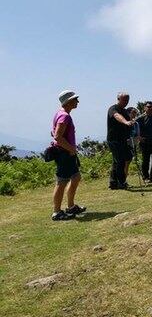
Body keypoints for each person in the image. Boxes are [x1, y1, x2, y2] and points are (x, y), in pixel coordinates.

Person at [50, 90, 85, 220]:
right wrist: (71, 149)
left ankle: (70, 206)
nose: (77, 101)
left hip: (66, 152)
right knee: (61, 182)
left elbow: (55, 134)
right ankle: (57, 212)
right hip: (64, 153)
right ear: (68, 101)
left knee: (76, 177)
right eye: (75, 99)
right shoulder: (65, 116)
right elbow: (58, 137)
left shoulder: (60, 114)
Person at [106, 92, 135, 190]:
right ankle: (121, 182)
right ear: (118, 99)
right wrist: (126, 122)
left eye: (127, 100)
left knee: (118, 161)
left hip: (123, 140)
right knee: (120, 161)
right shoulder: (113, 109)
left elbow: (127, 124)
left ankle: (113, 183)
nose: (126, 102)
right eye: (124, 100)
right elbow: (117, 116)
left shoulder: (125, 111)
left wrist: (131, 122)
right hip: (114, 140)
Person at [124, 107, 140, 180]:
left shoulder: (136, 124)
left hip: (133, 144)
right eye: (133, 112)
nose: (134, 114)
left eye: (135, 113)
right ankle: (122, 180)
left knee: (128, 162)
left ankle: (124, 180)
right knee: (124, 163)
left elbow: (137, 134)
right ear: (128, 113)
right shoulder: (125, 122)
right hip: (125, 144)